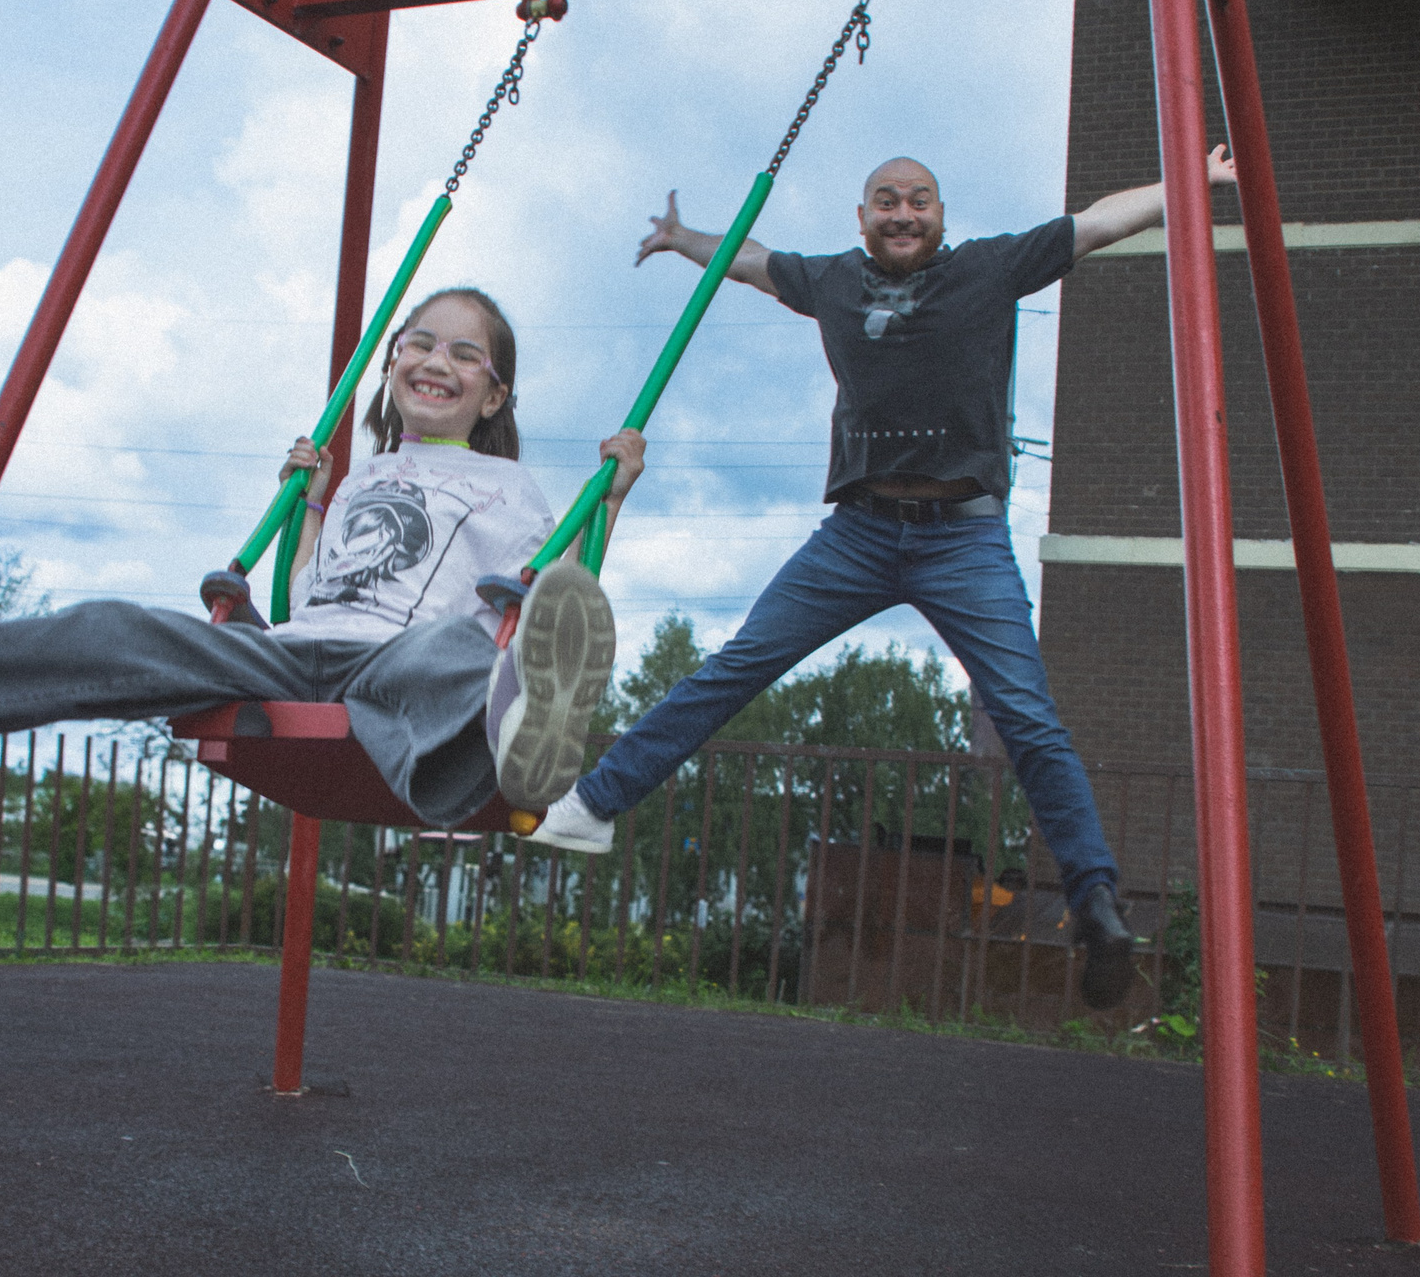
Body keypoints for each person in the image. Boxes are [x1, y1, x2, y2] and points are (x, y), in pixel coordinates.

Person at [525, 149, 1239, 1008]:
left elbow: (1100, 220)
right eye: (886, 203)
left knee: (1028, 719)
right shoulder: (831, 280)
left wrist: (1187, 180)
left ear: (943, 216)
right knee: (741, 662)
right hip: (859, 533)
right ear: (860, 218)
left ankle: (1095, 901)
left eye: (920, 203)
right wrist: (684, 240)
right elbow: (750, 265)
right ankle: (597, 802)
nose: (904, 215)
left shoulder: (989, 267)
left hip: (963, 539)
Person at [0, 287, 647, 830]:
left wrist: (607, 500)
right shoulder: (360, 476)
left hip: (406, 669)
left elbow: (540, 593)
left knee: (464, 646)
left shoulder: (514, 486)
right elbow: (317, 595)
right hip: (302, 652)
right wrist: (306, 513)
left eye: (464, 352)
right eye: (418, 342)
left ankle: (518, 731)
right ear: (390, 365)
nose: (435, 360)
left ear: (495, 392)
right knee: (125, 626)